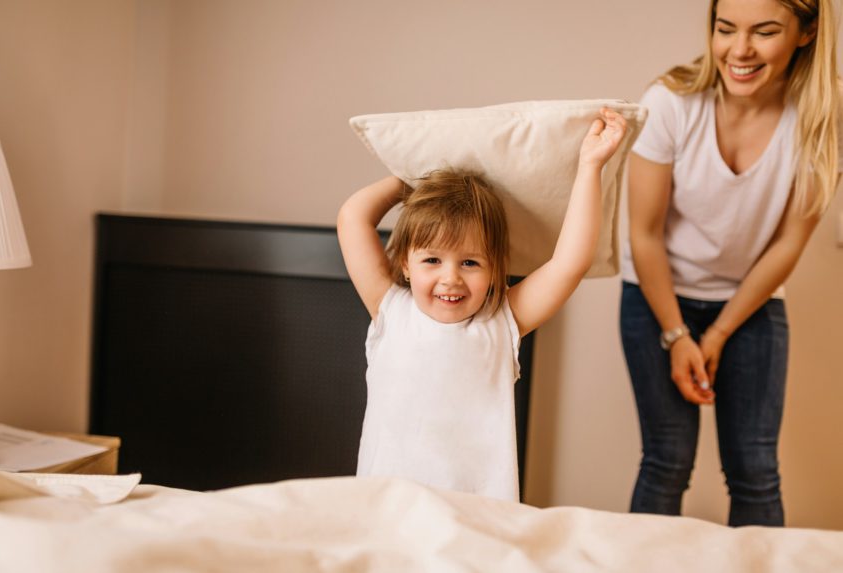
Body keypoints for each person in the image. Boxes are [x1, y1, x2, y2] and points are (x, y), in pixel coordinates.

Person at [620, 0, 839, 526]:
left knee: (755, 470)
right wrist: (677, 336)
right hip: (655, 296)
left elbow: (787, 246)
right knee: (667, 462)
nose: (739, 50)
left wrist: (716, 334)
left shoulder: (818, 122)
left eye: (764, 32)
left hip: (750, 302)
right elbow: (643, 234)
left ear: (806, 32)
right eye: (725, 29)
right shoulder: (670, 103)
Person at [338, 109, 626, 502]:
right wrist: (410, 177)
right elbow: (353, 217)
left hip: (477, 519)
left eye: (470, 262)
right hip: (388, 513)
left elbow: (569, 263)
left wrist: (590, 166)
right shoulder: (391, 311)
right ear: (406, 263)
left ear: (495, 270)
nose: (450, 278)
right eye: (432, 260)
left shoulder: (501, 322)